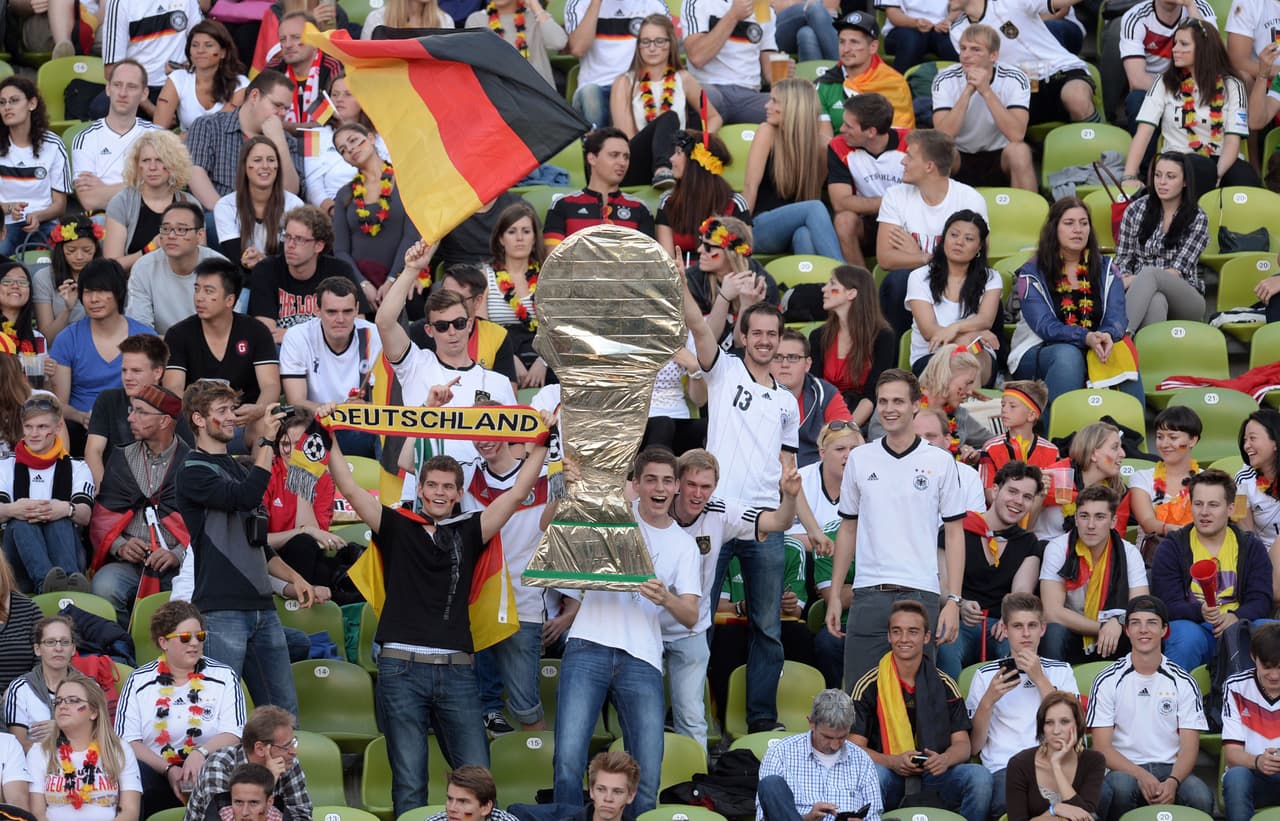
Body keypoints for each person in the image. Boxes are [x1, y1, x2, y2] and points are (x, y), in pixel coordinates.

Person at [324, 398, 552, 817]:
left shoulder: (471, 530)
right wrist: (328, 434)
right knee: (408, 779)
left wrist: (542, 439)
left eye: (449, 487)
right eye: (433, 486)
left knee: (478, 776)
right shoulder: (393, 525)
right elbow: (352, 489)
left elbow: (519, 491)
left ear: (459, 493)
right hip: (400, 668)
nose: (441, 493)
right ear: (421, 489)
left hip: (456, 670)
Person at [552, 448, 700, 815]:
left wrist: (665, 597)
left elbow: (692, 616)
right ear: (636, 485)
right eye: (650, 479)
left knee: (648, 771)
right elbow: (556, 531)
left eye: (667, 480)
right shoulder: (612, 516)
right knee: (568, 761)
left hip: (643, 658)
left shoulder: (684, 545)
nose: (659, 487)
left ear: (677, 486)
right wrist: (573, 483)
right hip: (588, 645)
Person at [683, 283, 800, 733]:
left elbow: (787, 468)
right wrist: (699, 290)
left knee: (768, 629)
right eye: (758, 333)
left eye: (773, 334)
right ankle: (697, 720)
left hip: (765, 521)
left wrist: (804, 521)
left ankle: (760, 726)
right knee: (699, 624)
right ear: (743, 335)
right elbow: (697, 327)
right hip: (712, 514)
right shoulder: (724, 370)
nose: (766, 341)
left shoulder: (788, 402)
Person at [175, 382, 312, 712]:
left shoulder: (238, 467)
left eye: (232, 410)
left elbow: (258, 542)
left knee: (283, 714)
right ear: (198, 419)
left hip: (262, 607)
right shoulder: (192, 470)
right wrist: (265, 440)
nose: (231, 418)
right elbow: (244, 497)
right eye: (221, 411)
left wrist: (294, 577)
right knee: (218, 712)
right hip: (221, 609)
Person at [825, 369, 965, 687]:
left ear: (916, 405)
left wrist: (954, 601)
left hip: (921, 593)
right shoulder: (860, 458)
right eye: (883, 401)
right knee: (858, 696)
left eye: (898, 401)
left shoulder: (942, 462)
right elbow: (848, 529)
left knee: (915, 700)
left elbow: (955, 534)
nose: (889, 408)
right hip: (869, 592)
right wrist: (835, 594)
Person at [672, 449, 801, 749]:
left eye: (705, 487)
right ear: (678, 483)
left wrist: (790, 497)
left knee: (692, 721)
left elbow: (777, 523)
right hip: (651, 625)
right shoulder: (655, 507)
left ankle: (696, 783)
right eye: (691, 484)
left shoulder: (721, 510)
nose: (698, 493)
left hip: (690, 628)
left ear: (715, 487)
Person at [849, 601, 992, 821]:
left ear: (926, 637)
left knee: (979, 777)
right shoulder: (869, 684)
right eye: (897, 632)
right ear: (889, 636)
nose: (904, 639)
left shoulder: (945, 684)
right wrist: (892, 761)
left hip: (937, 773)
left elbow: (963, 746)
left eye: (912, 632)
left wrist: (944, 759)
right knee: (874, 776)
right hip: (890, 774)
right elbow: (855, 750)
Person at [380, 244, 518, 471]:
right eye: (442, 326)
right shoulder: (415, 364)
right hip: (425, 490)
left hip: (480, 495)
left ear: (470, 323)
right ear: (429, 330)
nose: (452, 332)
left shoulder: (498, 383)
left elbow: (514, 444)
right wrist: (412, 269)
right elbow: (385, 322)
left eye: (459, 323)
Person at [1007, 197, 1143, 411]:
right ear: (1054, 228)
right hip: (1039, 350)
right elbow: (1045, 326)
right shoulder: (1031, 273)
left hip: (1093, 346)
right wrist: (1085, 337)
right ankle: (1058, 435)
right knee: (1068, 355)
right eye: (1069, 223)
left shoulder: (1107, 268)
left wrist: (1106, 335)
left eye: (1083, 223)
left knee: (1121, 347)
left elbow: (1117, 316)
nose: (1078, 230)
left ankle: (1130, 434)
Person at [1086, 594, 1213, 821]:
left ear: (1165, 630)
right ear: (1127, 631)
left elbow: (1189, 747)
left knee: (1201, 797)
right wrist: (1140, 774)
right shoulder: (1107, 680)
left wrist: (1173, 782)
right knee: (1121, 787)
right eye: (1135, 623)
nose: (1143, 630)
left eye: (1152, 623)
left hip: (1170, 768)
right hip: (1124, 768)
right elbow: (1102, 748)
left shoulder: (1183, 681)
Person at [116, 600, 245, 814]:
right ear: (163, 642)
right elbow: (127, 739)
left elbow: (235, 731)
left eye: (200, 636)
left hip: (210, 770)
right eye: (185, 638)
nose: (194, 643)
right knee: (131, 771)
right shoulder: (138, 681)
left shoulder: (223, 676)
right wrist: (168, 770)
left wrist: (200, 753)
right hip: (156, 773)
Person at [967, 595, 1081, 821]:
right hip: (1005, 769)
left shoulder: (1061, 671)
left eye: (1032, 626)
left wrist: (1039, 678)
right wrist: (989, 700)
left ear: (1043, 629)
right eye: (1018, 626)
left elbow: (1073, 731)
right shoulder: (985, 675)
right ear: (1005, 629)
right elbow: (973, 747)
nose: (1026, 634)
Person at [1150, 469, 1274, 672]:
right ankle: (1175, 699)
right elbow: (1165, 604)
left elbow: (1262, 598)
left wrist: (1236, 616)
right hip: (1197, 628)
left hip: (1240, 626)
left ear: (1231, 508)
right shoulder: (1173, 546)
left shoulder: (1250, 547)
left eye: (1213, 505)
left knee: (1271, 631)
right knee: (1185, 637)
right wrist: (1200, 612)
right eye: (1198, 504)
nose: (1204, 512)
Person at [87, 385, 189, 626]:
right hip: (130, 563)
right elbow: (103, 516)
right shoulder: (121, 458)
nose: (131, 418)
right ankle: (124, 648)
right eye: (132, 411)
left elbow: (204, 524)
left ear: (164, 421)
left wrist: (177, 554)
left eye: (141, 412)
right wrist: (120, 545)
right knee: (104, 586)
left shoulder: (190, 462)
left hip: (180, 565)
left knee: (193, 593)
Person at [875, 130, 988, 339]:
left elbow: (976, 258)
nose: (902, 161)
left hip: (957, 281)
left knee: (987, 286)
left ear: (929, 166)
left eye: (909, 156)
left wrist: (917, 255)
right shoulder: (895, 196)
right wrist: (925, 258)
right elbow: (885, 258)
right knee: (899, 281)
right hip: (915, 282)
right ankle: (894, 364)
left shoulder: (970, 200)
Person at [163, 260, 281, 455]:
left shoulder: (256, 332)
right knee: (175, 424)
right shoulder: (178, 334)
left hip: (242, 420)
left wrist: (258, 409)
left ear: (230, 300)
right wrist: (204, 416)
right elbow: (173, 388)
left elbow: (271, 384)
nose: (199, 298)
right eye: (197, 289)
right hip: (198, 422)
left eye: (208, 292)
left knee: (264, 425)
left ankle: (260, 482)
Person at [936, 466, 1044, 678]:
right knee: (946, 644)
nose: (1019, 501)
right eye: (1012, 491)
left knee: (1017, 645)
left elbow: (1021, 593)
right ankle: (951, 708)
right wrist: (961, 604)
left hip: (1000, 625)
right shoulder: (957, 530)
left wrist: (1008, 616)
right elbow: (942, 586)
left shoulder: (1028, 542)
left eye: (1027, 497)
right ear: (995, 491)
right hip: (959, 619)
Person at [1125, 19, 1256, 193]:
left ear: (1203, 49)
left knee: (1246, 180)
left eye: (1183, 44)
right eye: (1175, 43)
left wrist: (1214, 175)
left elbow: (1233, 142)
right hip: (1178, 160)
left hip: (1222, 161)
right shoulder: (1163, 82)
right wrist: (1129, 176)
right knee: (1189, 172)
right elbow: (1144, 131)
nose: (1174, 49)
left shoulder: (1233, 85)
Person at [50, 260, 157, 454]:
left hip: (132, 422)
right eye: (88, 292)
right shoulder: (68, 338)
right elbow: (59, 404)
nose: (94, 299)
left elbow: (156, 393)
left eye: (102, 291)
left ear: (118, 293)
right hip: (81, 427)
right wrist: (81, 416)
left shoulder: (144, 337)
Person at [1040, 484, 1149, 664]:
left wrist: (1119, 622)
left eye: (1100, 517)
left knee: (1143, 630)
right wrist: (1102, 627)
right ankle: (1054, 688)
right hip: (1073, 630)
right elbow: (1052, 612)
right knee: (1053, 631)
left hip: (1117, 632)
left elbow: (1141, 606)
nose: (1091, 525)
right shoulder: (1058, 548)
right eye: (1084, 516)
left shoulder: (1128, 553)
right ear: (1075, 519)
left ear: (1113, 521)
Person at [610, 15, 720, 189]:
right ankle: (662, 169)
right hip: (637, 162)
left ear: (671, 44)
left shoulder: (683, 79)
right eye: (645, 42)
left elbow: (714, 117)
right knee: (669, 117)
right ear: (638, 47)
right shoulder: (624, 83)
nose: (652, 48)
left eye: (659, 41)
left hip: (678, 160)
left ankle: (668, 168)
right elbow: (626, 140)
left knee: (670, 119)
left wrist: (697, 146)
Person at [949, 0, 1098, 126]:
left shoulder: (1010, 2)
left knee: (1076, 98)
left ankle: (1101, 151)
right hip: (1021, 87)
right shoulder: (958, 30)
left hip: (1061, 69)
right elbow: (979, 72)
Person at [0, 396, 94, 594]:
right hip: (17, 561)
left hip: (67, 549)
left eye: (42, 427)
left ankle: (66, 581)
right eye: (28, 427)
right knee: (21, 521)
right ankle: (50, 586)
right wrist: (13, 509)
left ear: (58, 427)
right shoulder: (6, 465)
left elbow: (85, 515)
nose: (34, 434)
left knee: (60, 517)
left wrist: (65, 508)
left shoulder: (77, 466)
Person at [742, 79, 843, 260]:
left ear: (792, 107)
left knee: (805, 235)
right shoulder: (767, 132)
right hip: (760, 227)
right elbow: (750, 187)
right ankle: (846, 278)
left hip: (796, 227)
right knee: (815, 208)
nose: (766, 105)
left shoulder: (822, 145)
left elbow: (811, 194)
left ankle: (812, 287)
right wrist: (739, 233)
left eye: (774, 101)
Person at [1113, 151, 1209, 333]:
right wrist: (1131, 278)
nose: (1161, 182)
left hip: (1187, 297)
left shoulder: (1197, 217)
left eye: (1170, 176)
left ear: (1185, 182)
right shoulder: (1135, 210)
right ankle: (1141, 354)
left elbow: (1179, 270)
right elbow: (1123, 259)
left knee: (1150, 274)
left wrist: (1136, 279)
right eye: (1158, 175)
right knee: (1156, 301)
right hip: (1142, 295)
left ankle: (1120, 336)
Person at [931, 24, 1036, 191]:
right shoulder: (944, 79)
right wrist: (968, 91)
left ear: (993, 55)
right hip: (960, 155)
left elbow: (1017, 134)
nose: (966, 55)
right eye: (963, 48)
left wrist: (986, 91)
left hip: (1000, 156)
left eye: (975, 50)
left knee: (1020, 151)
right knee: (940, 152)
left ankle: (1031, 215)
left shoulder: (1015, 78)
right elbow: (944, 136)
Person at [263, 410, 356, 596]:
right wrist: (303, 531)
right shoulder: (267, 474)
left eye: (299, 445)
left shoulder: (323, 479)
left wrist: (302, 478)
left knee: (346, 558)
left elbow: (316, 539)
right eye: (285, 444)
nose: (291, 452)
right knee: (303, 543)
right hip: (269, 558)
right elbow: (259, 540)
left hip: (307, 555)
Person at [904, 210, 1002, 384]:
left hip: (978, 352)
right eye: (954, 235)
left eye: (969, 239)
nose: (959, 242)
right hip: (931, 355)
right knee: (963, 357)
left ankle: (969, 406)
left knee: (970, 356)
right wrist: (971, 335)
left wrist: (955, 328)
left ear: (979, 247)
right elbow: (929, 331)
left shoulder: (991, 277)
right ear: (944, 239)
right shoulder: (919, 277)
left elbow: (985, 320)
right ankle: (971, 408)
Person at [756, 689, 883, 821]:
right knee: (771, 783)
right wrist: (806, 818)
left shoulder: (862, 759)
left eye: (842, 737)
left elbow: (874, 816)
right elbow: (764, 818)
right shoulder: (780, 753)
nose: (835, 745)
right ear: (811, 723)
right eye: (827, 737)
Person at [186, 71, 304, 213]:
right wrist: (226, 215)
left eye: (286, 108)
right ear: (254, 96)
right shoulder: (209, 126)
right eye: (277, 105)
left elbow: (291, 192)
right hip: (216, 217)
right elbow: (195, 173)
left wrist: (279, 142)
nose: (283, 113)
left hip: (268, 221)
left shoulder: (287, 142)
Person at [279, 276, 382, 437]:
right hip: (317, 422)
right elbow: (296, 401)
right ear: (317, 311)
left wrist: (364, 407)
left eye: (347, 311)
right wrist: (341, 411)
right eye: (332, 312)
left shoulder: (374, 334)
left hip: (364, 425)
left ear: (357, 309)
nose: (340, 319)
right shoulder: (298, 336)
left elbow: (386, 401)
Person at [27, 678, 141, 821]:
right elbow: (37, 813)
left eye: (73, 700)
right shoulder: (40, 751)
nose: (62, 706)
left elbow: (130, 811)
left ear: (94, 712)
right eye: (58, 701)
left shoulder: (119, 749)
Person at [249, 205, 365, 344]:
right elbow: (267, 335)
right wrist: (322, 335)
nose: (290, 245)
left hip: (327, 353)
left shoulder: (340, 271)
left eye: (299, 239)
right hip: (283, 352)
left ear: (318, 246)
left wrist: (290, 334)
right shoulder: (266, 270)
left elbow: (358, 326)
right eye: (287, 237)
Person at [331, 122, 419, 304]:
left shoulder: (406, 181)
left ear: (371, 137)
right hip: (359, 288)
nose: (351, 149)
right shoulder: (344, 195)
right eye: (343, 150)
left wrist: (393, 279)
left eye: (354, 140)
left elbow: (412, 236)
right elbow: (340, 250)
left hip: (403, 280)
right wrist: (363, 285)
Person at [185, 705, 312, 821]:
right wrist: (267, 781)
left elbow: (302, 816)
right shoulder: (219, 765)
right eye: (286, 746)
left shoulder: (288, 761)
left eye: (293, 743)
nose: (294, 752)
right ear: (260, 749)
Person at [826, 93, 906, 268]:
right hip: (867, 222)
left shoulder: (911, 143)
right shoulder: (838, 146)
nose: (841, 129)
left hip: (906, 220)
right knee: (844, 220)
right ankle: (862, 284)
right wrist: (893, 202)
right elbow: (840, 203)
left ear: (871, 131)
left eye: (849, 126)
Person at [84, 334, 174, 489]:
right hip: (114, 493)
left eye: (136, 371)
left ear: (158, 372)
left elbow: (182, 459)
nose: (128, 377)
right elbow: (93, 451)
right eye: (124, 370)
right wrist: (106, 494)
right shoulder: (107, 400)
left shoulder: (173, 407)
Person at [103, 130, 199, 274]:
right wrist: (151, 248)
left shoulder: (190, 203)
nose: (152, 167)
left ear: (173, 164)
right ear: (137, 166)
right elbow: (111, 266)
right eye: (146, 160)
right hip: (135, 286)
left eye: (160, 160)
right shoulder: (122, 202)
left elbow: (200, 260)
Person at [808, 265, 894, 427]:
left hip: (863, 418)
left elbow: (872, 394)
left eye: (833, 284)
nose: (824, 290)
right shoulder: (818, 337)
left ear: (852, 293)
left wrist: (847, 430)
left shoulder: (882, 337)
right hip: (824, 415)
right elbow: (815, 390)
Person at [406, 265, 518, 389]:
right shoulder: (419, 332)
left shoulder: (497, 336)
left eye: (458, 298)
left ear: (477, 301)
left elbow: (508, 397)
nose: (449, 302)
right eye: (445, 294)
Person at [70, 61, 158, 215]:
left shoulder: (159, 136)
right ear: (108, 89)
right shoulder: (85, 138)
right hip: (104, 217)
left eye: (131, 86)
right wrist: (141, 185)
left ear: (144, 93)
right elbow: (89, 200)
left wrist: (104, 189)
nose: (123, 93)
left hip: (149, 216)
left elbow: (162, 191)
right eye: (117, 85)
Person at [544, 128, 656, 246]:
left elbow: (646, 261)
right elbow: (553, 259)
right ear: (592, 158)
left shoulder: (640, 209)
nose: (622, 163)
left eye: (626, 157)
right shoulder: (563, 205)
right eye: (614, 155)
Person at [1004, 692, 1106, 821]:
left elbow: (1084, 816)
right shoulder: (1019, 764)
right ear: (1042, 728)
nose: (1056, 731)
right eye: (1049, 723)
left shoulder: (1094, 761)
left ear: (1078, 724)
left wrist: (1056, 766)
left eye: (1064, 722)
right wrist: (1054, 810)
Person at [128, 202, 226, 336]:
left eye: (181, 230)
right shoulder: (143, 268)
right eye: (166, 229)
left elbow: (224, 330)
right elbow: (140, 330)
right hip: (160, 351)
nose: (171, 236)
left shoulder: (220, 268)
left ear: (200, 235)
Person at [298, 74, 392, 213]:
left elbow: (392, 173)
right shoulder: (314, 136)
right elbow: (313, 185)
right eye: (334, 94)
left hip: (381, 206)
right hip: (334, 212)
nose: (339, 99)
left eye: (348, 94)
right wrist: (333, 211)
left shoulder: (381, 134)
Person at [480, 203, 550, 388]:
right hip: (500, 353)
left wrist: (543, 363)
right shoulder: (485, 276)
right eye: (512, 232)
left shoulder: (548, 276)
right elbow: (481, 328)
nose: (520, 238)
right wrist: (508, 358)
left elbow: (559, 329)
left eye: (526, 231)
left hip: (543, 355)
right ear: (501, 239)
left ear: (534, 238)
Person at [1119, 0, 1216, 132]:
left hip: (1194, 85)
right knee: (1137, 100)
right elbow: (1137, 80)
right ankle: (1147, 153)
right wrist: (1178, 94)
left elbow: (1212, 58)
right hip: (1153, 87)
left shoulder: (1200, 8)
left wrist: (1190, 6)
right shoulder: (1135, 17)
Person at [683, 217, 780, 348]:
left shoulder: (761, 284)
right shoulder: (694, 280)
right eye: (701, 242)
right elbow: (704, 343)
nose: (700, 250)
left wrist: (746, 306)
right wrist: (723, 298)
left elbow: (743, 344)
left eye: (708, 247)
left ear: (731, 254)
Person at [0, 77, 69, 258]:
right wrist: (8, 208)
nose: (7, 107)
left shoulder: (54, 145)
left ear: (32, 103)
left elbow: (60, 205)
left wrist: (38, 216)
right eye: (2, 102)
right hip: (4, 222)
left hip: (44, 221)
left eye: (14, 101)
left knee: (63, 256)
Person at [870, 350, 986, 457]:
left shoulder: (960, 414)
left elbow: (991, 442)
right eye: (967, 383)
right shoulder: (899, 400)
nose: (970, 391)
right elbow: (877, 437)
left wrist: (975, 455)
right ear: (947, 377)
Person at [215, 137, 305, 275]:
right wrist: (250, 259)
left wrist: (262, 260)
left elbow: (289, 257)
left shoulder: (295, 205)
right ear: (245, 166)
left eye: (271, 160)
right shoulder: (226, 206)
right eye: (257, 160)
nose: (265, 166)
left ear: (277, 166)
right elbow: (236, 258)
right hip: (244, 279)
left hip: (282, 278)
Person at [656, 131, 748, 264]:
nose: (671, 159)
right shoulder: (668, 200)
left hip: (722, 281)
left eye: (678, 153)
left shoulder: (735, 203)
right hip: (682, 280)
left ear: (695, 162)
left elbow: (741, 258)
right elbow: (668, 261)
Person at [683, 0, 780, 125]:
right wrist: (732, 16)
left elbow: (769, 69)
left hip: (748, 95)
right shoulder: (698, 2)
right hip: (710, 88)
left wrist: (781, 72)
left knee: (789, 107)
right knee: (703, 98)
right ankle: (697, 143)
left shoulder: (762, 6)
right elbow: (697, 57)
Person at [1035, 421, 1133, 541]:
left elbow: (1116, 539)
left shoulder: (1118, 491)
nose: (1123, 454)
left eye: (1121, 447)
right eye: (1115, 447)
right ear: (1093, 454)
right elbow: (1023, 523)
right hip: (1043, 551)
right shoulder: (1057, 476)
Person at [816, 13, 914, 130]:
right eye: (842, 42)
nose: (846, 49)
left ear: (873, 47)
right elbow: (824, 138)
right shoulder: (826, 84)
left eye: (854, 42)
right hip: (836, 147)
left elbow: (899, 136)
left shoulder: (894, 83)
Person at [1222, 622, 1280, 821]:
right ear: (1253, 657)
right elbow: (1232, 754)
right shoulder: (1236, 687)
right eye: (1268, 667)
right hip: (1252, 775)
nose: (1274, 675)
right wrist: (1258, 761)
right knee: (1236, 777)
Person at [771, 330, 852, 468]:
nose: (784, 364)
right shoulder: (755, 394)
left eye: (793, 357)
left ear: (807, 364)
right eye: (777, 357)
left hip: (816, 478)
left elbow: (848, 437)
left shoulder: (825, 393)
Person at [1129, 405, 1202, 555]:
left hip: (1197, 553)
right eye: (1160, 436)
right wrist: (1173, 529)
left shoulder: (1206, 480)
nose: (1164, 444)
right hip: (1153, 558)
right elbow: (1148, 522)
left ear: (1193, 440)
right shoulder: (1142, 477)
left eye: (1173, 437)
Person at [152, 21, 249, 134]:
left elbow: (220, 128)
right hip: (183, 149)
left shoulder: (241, 84)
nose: (200, 50)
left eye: (208, 45)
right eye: (195, 45)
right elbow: (158, 130)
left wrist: (185, 136)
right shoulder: (178, 79)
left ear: (223, 52)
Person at [3, 615, 79, 752]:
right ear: (37, 649)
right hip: (33, 770)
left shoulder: (89, 688)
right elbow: (17, 748)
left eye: (65, 642)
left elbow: (100, 740)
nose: (58, 648)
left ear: (73, 649)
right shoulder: (20, 689)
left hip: (82, 768)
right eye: (50, 642)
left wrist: (61, 732)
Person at [977, 380, 1058, 498]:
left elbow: (1053, 495)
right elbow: (989, 494)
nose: (1004, 410)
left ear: (1031, 415)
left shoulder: (1052, 451)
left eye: (1012, 406)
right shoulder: (991, 448)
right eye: (1003, 405)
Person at [263, 12, 344, 128]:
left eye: (296, 37)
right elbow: (258, 115)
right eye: (283, 39)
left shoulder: (331, 66)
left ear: (315, 40)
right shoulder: (273, 69)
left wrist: (285, 126)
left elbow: (336, 120)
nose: (288, 45)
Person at [463, 0, 567, 89]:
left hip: (539, 95)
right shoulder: (476, 20)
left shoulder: (535, 16)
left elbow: (558, 43)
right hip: (501, 97)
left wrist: (535, 5)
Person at [32, 216, 103, 345]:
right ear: (60, 250)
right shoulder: (44, 278)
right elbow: (46, 339)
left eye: (87, 250)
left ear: (96, 249)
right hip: (60, 349)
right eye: (71, 250)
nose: (79, 256)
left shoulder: (106, 275)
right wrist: (67, 309)